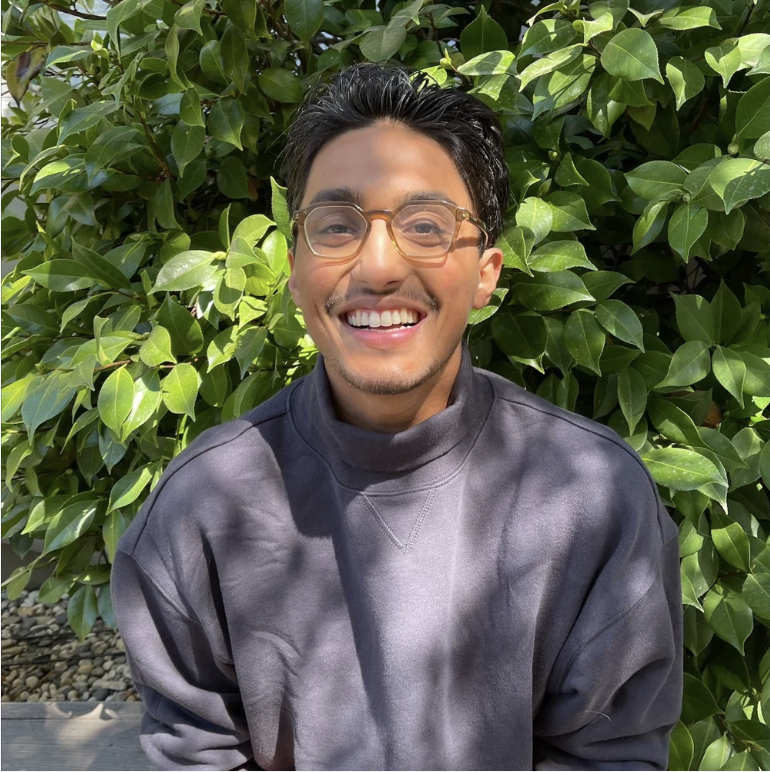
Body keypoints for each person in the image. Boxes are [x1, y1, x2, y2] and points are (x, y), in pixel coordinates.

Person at [112, 63, 683, 771]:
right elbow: (196, 752)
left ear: (485, 272)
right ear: (295, 270)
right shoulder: (202, 509)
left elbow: (609, 755)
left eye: (425, 225)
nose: (378, 265)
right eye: (337, 226)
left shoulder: (593, 498)